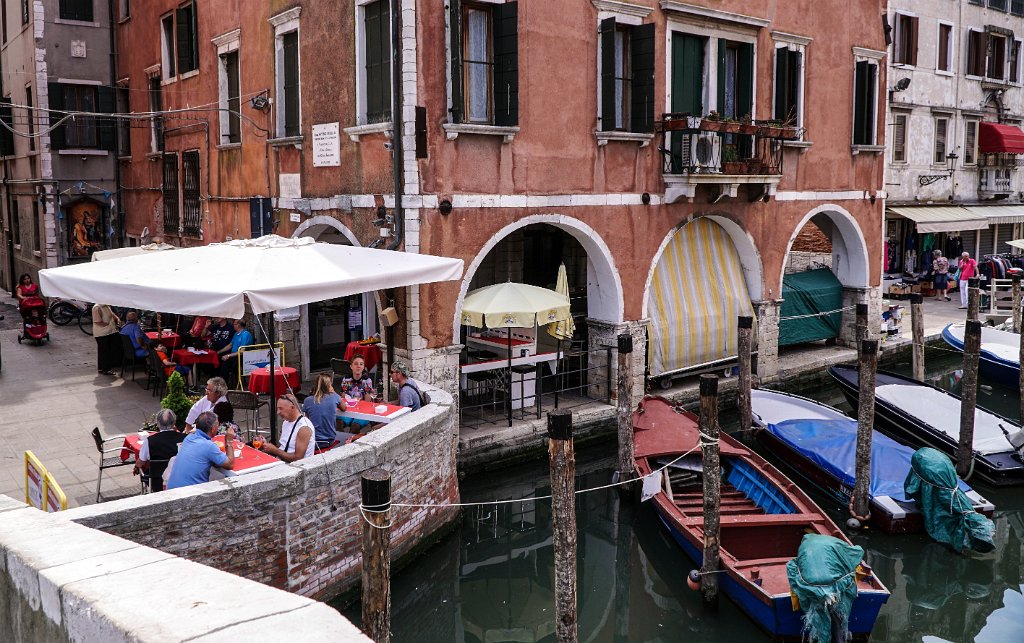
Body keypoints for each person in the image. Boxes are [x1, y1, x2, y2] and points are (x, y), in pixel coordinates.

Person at [165, 411, 235, 489]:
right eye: (217, 425)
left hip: (171, 490)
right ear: (213, 429)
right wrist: (229, 441)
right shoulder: (209, 446)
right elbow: (230, 464)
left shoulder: (189, 438)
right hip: (189, 495)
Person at [136, 409, 186, 493]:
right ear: (174, 422)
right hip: (181, 479)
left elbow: (140, 462)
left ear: (158, 424)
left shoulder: (150, 441)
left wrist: (136, 467)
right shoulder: (185, 438)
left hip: (158, 483)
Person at [258, 394, 314, 462]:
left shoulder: (304, 428)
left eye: (281, 408)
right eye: (277, 409)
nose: (278, 412)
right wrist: (267, 446)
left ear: (292, 407)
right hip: (282, 462)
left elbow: (298, 458)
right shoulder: (286, 422)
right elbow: (284, 448)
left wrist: (274, 450)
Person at [303, 373, 348, 449]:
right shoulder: (334, 397)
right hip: (328, 440)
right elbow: (344, 408)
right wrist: (333, 392)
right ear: (329, 385)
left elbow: (306, 420)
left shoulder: (307, 400)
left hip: (310, 441)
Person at [338, 355, 375, 431]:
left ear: (364, 367)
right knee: (338, 423)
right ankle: (341, 441)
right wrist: (345, 395)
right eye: (356, 364)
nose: (358, 366)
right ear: (351, 366)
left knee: (355, 426)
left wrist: (365, 390)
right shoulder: (346, 379)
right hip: (349, 409)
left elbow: (368, 401)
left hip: (363, 410)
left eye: (361, 364)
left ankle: (352, 440)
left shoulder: (367, 380)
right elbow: (342, 395)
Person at [92, 303, 122, 375]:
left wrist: (116, 318)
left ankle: (102, 368)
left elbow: (111, 313)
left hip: (109, 331)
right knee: (104, 351)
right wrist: (108, 324)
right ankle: (105, 369)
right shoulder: (97, 307)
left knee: (103, 350)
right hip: (102, 333)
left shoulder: (106, 305)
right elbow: (97, 321)